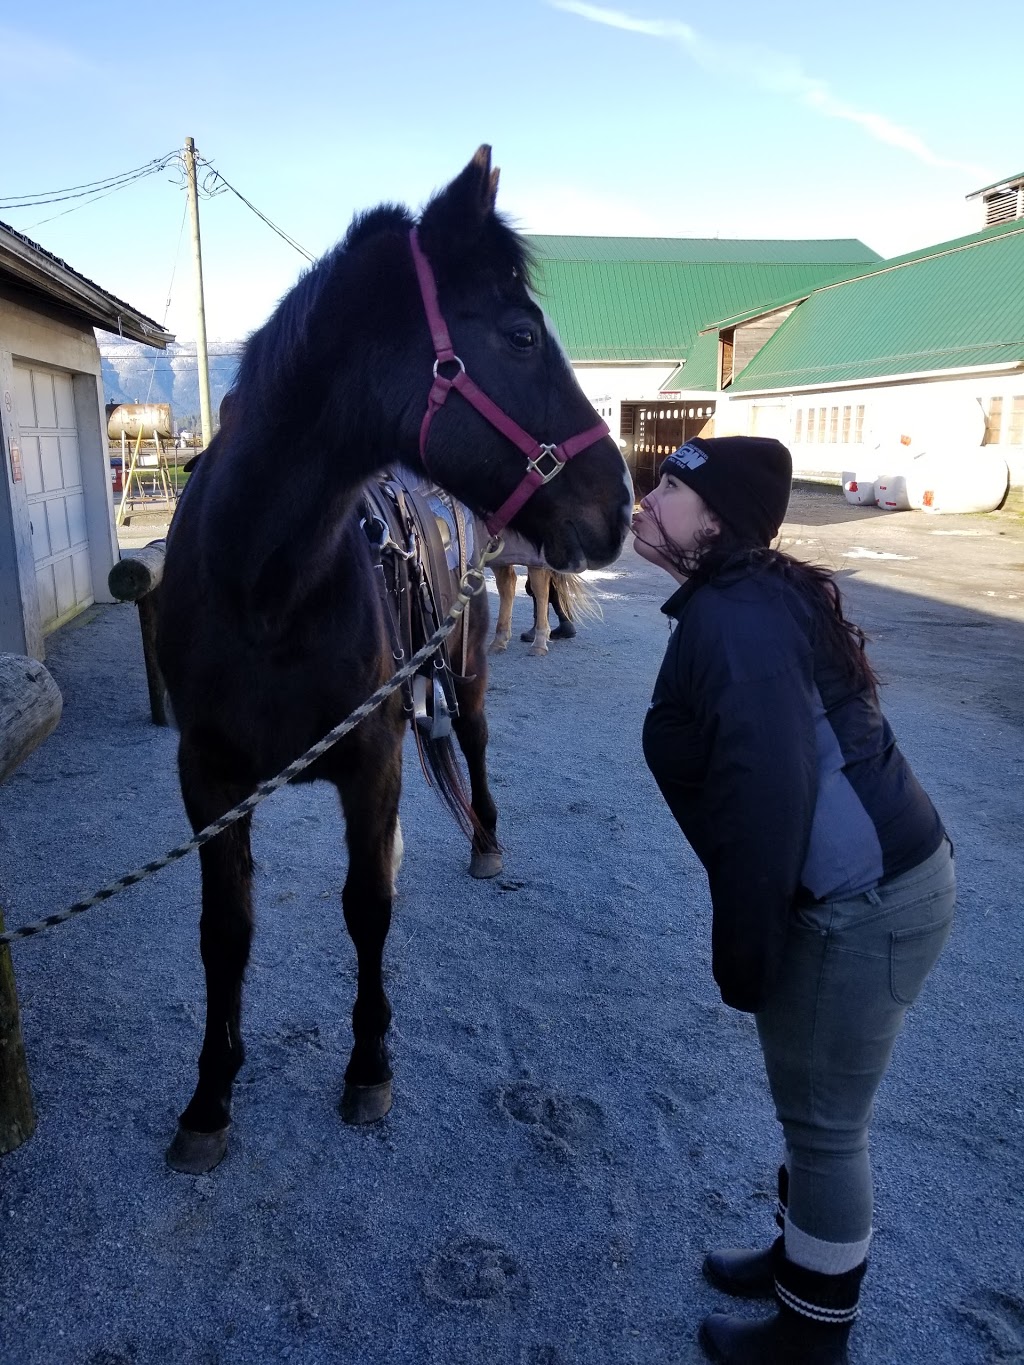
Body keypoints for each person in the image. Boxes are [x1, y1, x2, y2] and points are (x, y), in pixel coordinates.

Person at [631, 436, 956, 1365]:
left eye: (670, 489)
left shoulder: (734, 621)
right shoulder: (740, 599)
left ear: (719, 520)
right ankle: (798, 1256)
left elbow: (769, 794)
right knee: (808, 1109)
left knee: (824, 1127)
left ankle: (811, 1339)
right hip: (866, 892)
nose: (648, 501)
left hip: (865, 906)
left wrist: (744, 946)